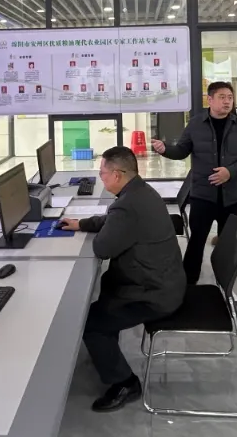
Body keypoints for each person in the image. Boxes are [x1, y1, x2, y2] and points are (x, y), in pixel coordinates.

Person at [60, 147, 186, 412]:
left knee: (91, 323)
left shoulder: (127, 205)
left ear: (117, 175)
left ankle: (125, 383)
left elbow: (103, 248)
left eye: (103, 173)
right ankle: (107, 351)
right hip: (164, 281)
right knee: (104, 299)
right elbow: (113, 221)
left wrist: (95, 230)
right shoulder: (140, 192)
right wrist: (83, 224)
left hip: (154, 294)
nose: (101, 178)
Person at [152, 82, 237, 283]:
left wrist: (230, 172)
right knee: (197, 241)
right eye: (222, 97)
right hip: (203, 195)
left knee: (228, 245)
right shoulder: (195, 124)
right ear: (210, 100)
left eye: (230, 97)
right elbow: (182, 150)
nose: (227, 101)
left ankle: (224, 284)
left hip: (231, 196)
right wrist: (165, 149)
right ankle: (188, 282)